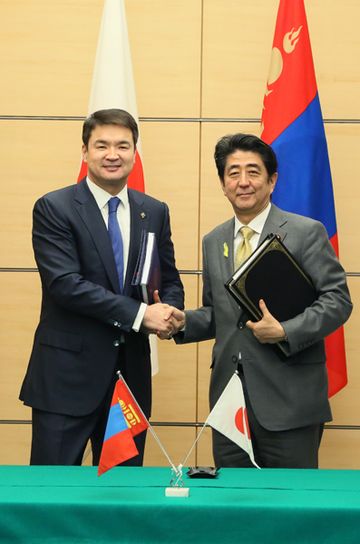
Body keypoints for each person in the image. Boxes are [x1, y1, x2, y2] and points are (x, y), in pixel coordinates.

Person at [169, 133, 352, 468]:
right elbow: (220, 313)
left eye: (253, 172)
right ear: (223, 184)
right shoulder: (214, 240)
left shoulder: (305, 231)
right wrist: (184, 322)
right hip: (229, 403)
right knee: (232, 507)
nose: (243, 182)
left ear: (272, 180)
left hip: (290, 400)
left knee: (291, 507)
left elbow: (338, 301)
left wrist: (286, 330)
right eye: (233, 173)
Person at [20, 108, 184, 466]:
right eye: (102, 146)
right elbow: (65, 285)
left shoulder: (153, 211)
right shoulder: (55, 207)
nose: (113, 155)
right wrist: (143, 315)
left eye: (123, 146)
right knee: (55, 494)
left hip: (130, 380)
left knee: (121, 493)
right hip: (66, 380)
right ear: (84, 152)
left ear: (134, 153)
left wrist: (170, 312)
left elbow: (167, 278)